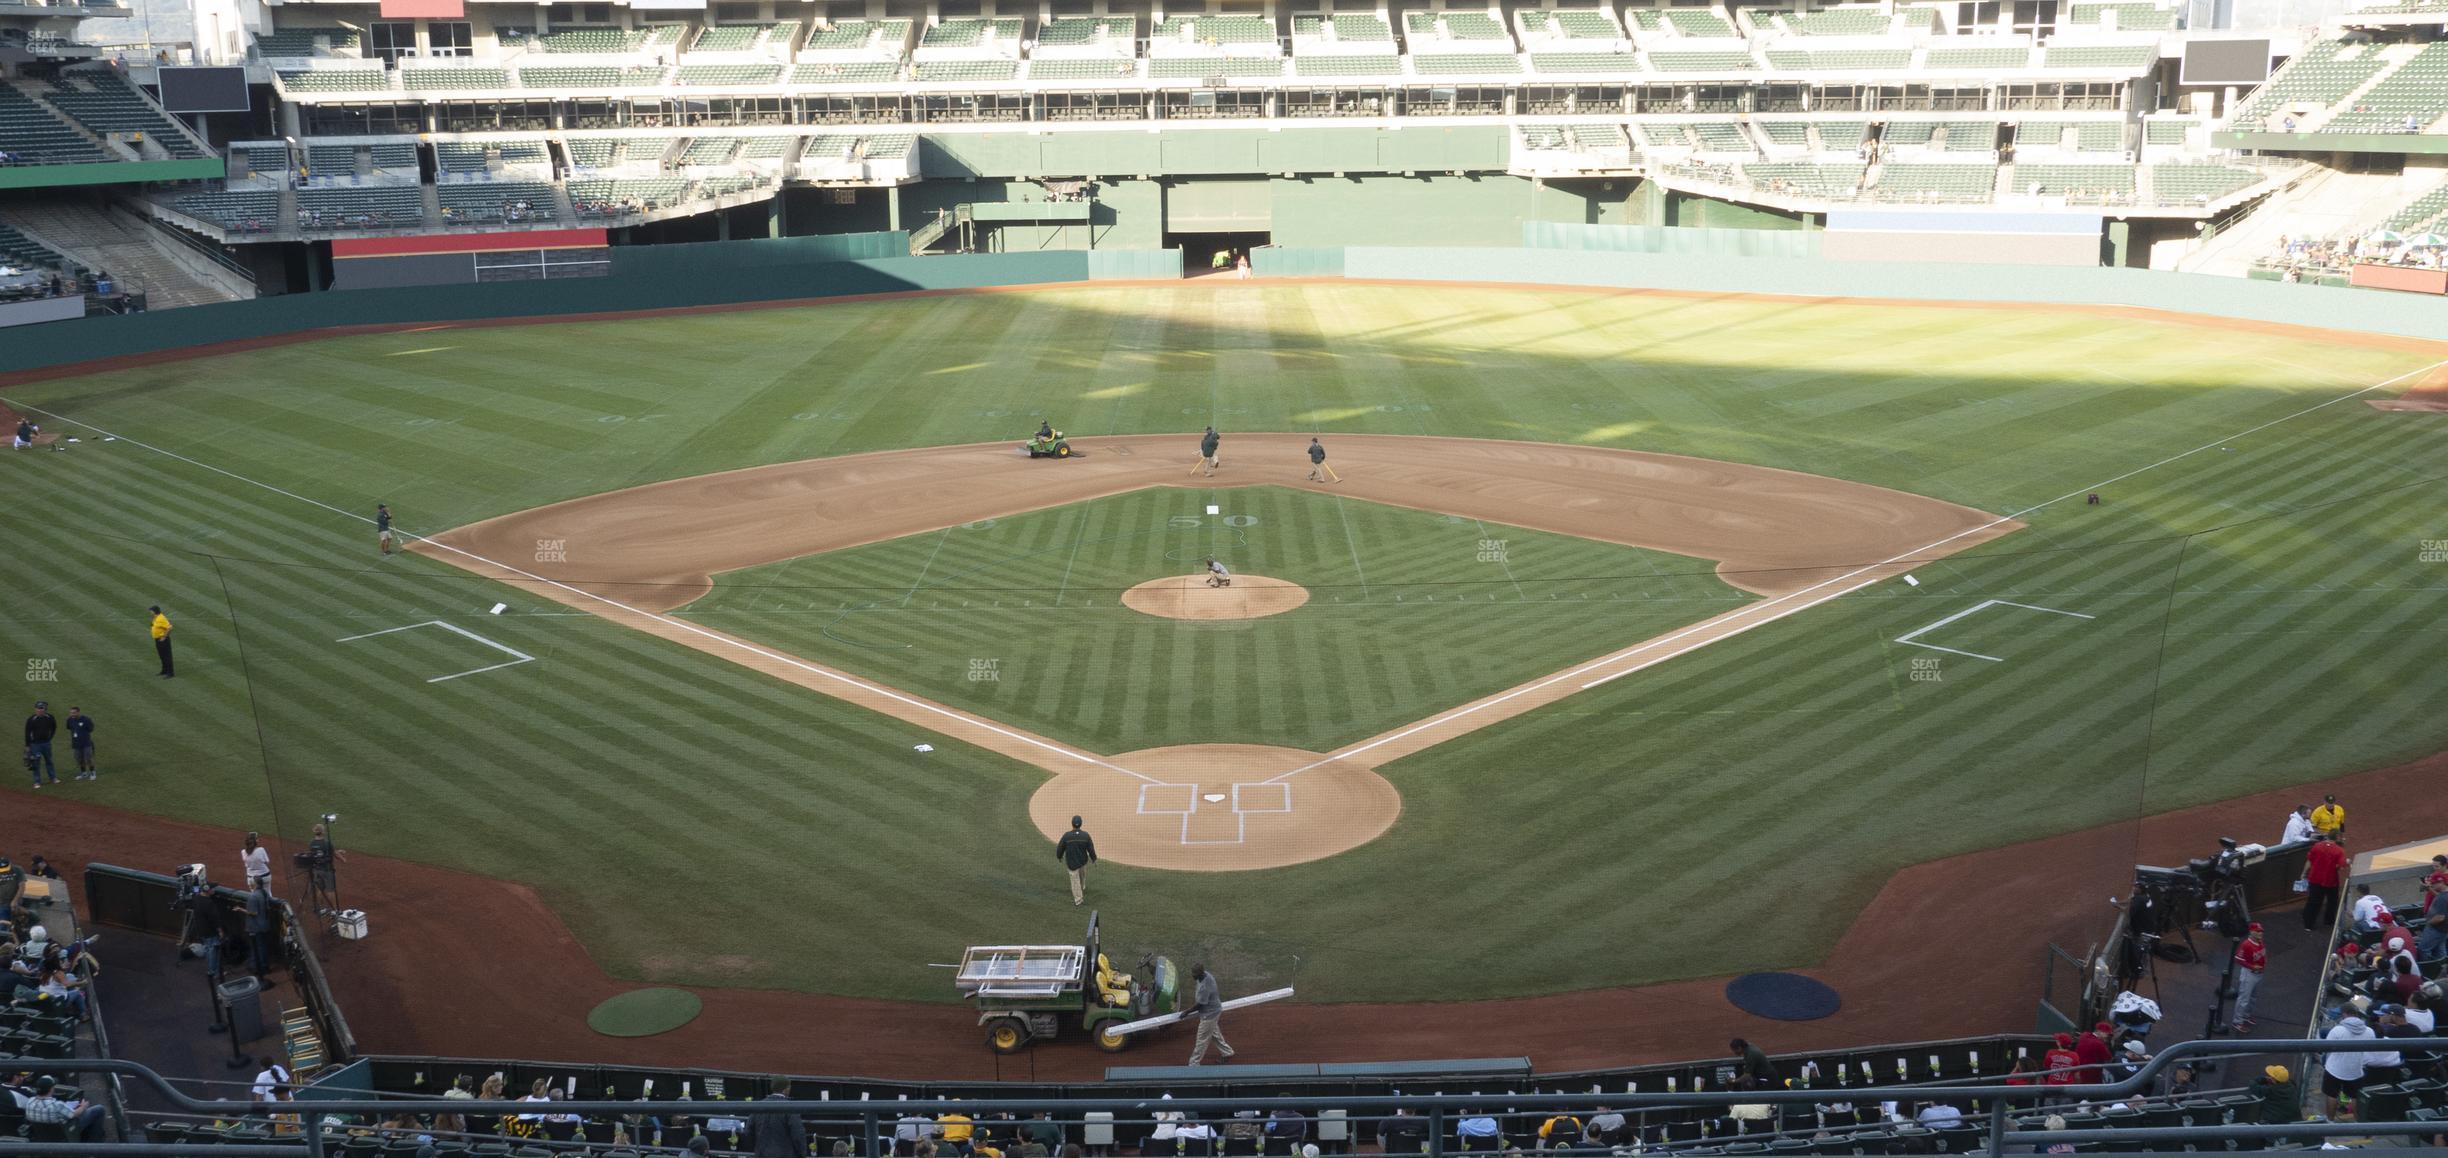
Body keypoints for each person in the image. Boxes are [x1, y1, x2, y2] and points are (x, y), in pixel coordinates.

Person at [2321, 1013, 2374, 1118]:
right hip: (2355, 1070)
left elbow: (2326, 1049)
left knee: (2332, 1095)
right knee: (2355, 1097)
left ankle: (2329, 1122)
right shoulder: (2369, 1031)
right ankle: (2359, 1123)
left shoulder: (2337, 1030)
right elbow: (2369, 1052)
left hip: (2334, 1069)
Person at [23, 1076, 103, 1143]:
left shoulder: (30, 1102)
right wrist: (83, 1106)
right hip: (67, 1131)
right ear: (51, 1089)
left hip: (42, 1137)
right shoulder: (57, 1105)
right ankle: (94, 1146)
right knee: (99, 1109)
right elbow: (75, 1114)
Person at [1185, 963, 1234, 1065]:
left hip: (1209, 1015)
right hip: (1214, 1010)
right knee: (1214, 1033)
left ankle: (1193, 1064)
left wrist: (1186, 1012)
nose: (1192, 975)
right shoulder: (1206, 975)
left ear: (1200, 973)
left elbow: (1200, 1005)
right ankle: (1227, 1052)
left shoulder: (1205, 987)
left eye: (1195, 974)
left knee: (1201, 1039)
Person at [750, 1077, 807, 1158]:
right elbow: (798, 1135)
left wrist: (757, 1150)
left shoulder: (758, 1106)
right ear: (786, 1089)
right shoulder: (791, 1107)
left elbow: (749, 1132)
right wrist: (802, 1154)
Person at [2304, 831, 2348, 931]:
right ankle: (2329, 922)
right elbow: (2341, 867)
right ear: (2337, 837)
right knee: (2332, 902)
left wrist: (2303, 873)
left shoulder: (2317, 846)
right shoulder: (2339, 850)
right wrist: (2346, 862)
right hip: (2330, 881)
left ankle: (2308, 925)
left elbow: (2310, 860)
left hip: (2315, 878)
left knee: (2313, 902)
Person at [2232, 922, 2267, 1031]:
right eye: (2257, 931)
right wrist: (2252, 966)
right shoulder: (2246, 944)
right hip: (2249, 974)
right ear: (2251, 932)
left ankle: (2246, 1016)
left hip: (2259, 974)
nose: (2260, 933)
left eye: (2261, 931)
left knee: (2253, 997)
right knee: (2244, 999)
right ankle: (2237, 1022)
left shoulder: (2260, 942)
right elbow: (2238, 959)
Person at [1055, 815, 1096, 907]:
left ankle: (1078, 899)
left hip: (1071, 863)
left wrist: (1059, 856)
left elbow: (1060, 848)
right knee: (1081, 880)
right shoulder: (1085, 835)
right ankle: (1079, 898)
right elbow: (1091, 849)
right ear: (1081, 824)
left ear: (1072, 824)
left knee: (1075, 881)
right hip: (1083, 862)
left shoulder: (1067, 836)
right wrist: (1094, 858)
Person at [245, 880, 277, 977]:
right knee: (262, 946)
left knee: (258, 947)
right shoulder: (264, 892)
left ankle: (259, 968)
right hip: (265, 924)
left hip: (256, 926)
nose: (249, 884)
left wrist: (241, 909)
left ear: (255, 884)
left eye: (251, 882)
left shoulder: (253, 896)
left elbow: (253, 912)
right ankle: (265, 966)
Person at [23, 701, 57, 788]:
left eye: (41, 708)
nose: (39, 710)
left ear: (45, 709)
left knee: (49, 761)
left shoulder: (50, 717)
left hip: (46, 743)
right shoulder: (31, 719)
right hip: (35, 745)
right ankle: (37, 782)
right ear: (35, 709)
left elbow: (54, 728)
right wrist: (27, 745)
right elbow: (27, 733)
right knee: (35, 763)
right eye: (38, 708)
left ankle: (53, 778)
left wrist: (50, 738)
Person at [62, 707, 93, 780]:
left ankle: (92, 773)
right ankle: (83, 773)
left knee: (88, 759)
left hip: (86, 743)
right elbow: (69, 727)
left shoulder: (86, 719)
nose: (72, 714)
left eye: (74, 712)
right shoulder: (69, 720)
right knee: (79, 759)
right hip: (76, 743)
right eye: (71, 713)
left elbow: (91, 729)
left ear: (78, 712)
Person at [148, 605, 174, 677]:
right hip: (157, 639)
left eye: (151, 611)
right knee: (162, 656)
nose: (150, 612)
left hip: (163, 640)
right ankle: (164, 670)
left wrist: (164, 637)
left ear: (155, 611)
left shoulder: (160, 618)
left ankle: (170, 673)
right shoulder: (156, 617)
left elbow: (170, 628)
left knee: (167, 656)